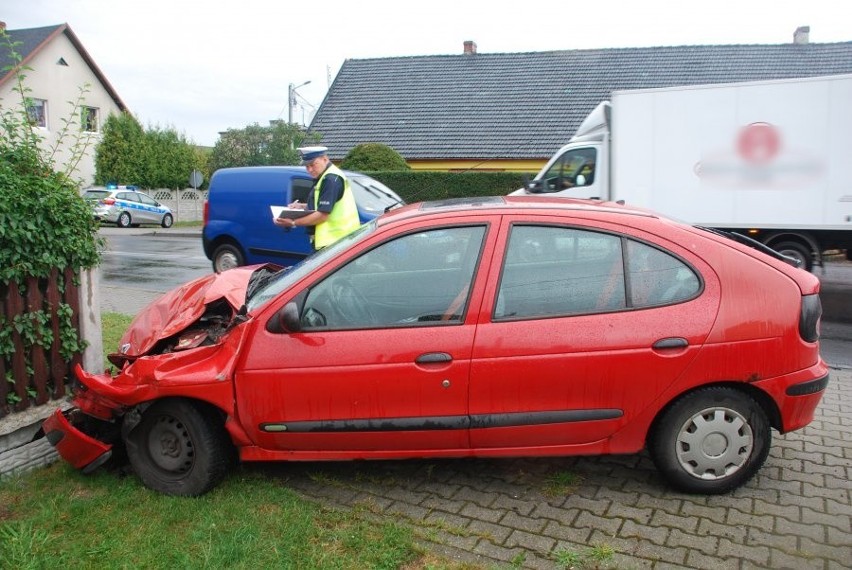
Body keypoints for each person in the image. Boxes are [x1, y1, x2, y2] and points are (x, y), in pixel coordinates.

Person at [275, 146, 361, 250]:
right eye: (307, 166)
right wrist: (301, 206)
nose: (310, 170)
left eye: (313, 165)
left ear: (325, 159)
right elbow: (322, 205)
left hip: (335, 243)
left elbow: (322, 215)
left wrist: (293, 223)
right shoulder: (325, 176)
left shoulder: (330, 180)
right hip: (336, 242)